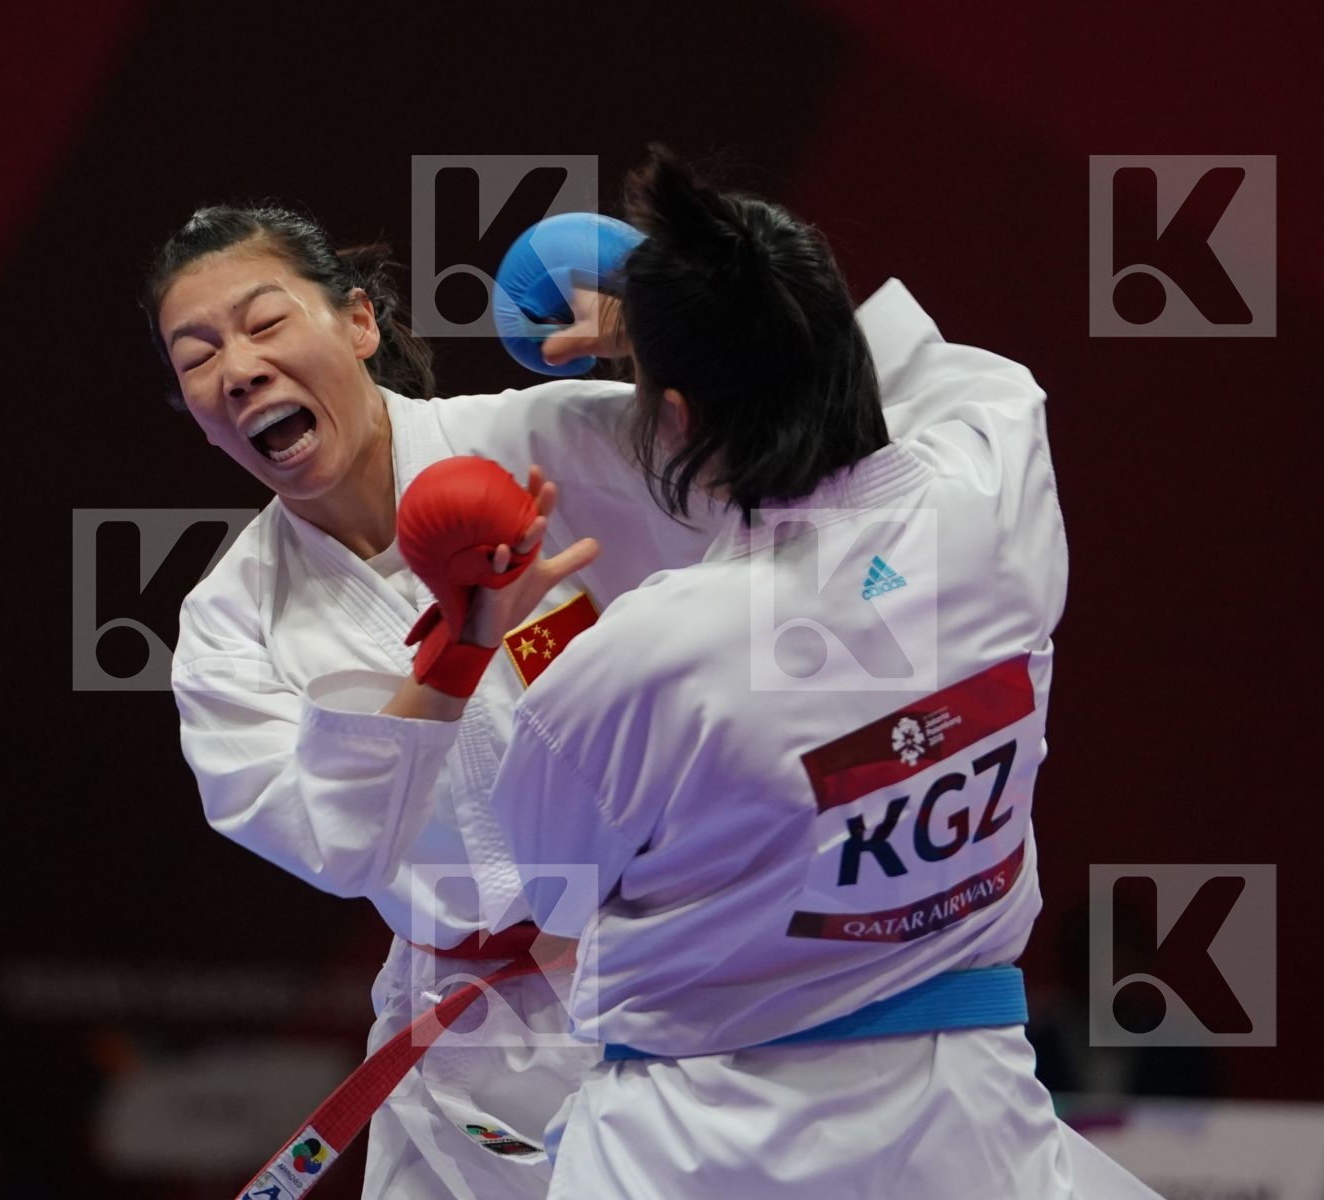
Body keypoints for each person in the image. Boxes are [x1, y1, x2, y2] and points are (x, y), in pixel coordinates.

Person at [363, 147, 1164, 1197]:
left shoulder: (638, 660)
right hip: (968, 1127)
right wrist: (695, 309)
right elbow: (951, 372)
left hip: (697, 1145)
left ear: (680, 418)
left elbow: (545, 891)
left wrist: (481, 644)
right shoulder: (994, 492)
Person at [145, 198, 725, 1198]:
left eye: (265, 322)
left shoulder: (544, 443)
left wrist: (681, 353)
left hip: (688, 980)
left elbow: (807, 485)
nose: (237, 369)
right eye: (197, 359)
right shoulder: (230, 621)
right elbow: (336, 842)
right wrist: (457, 655)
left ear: (360, 324)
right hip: (476, 1051)